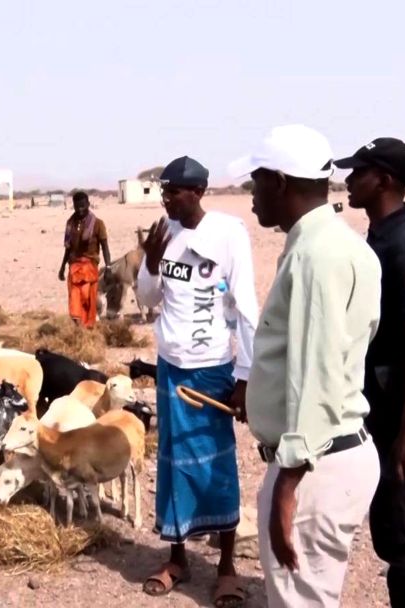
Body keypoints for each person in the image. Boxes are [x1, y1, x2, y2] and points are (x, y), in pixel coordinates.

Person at [231, 125, 382, 607]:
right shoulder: (345, 244)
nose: (250, 195)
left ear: (278, 181)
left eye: (255, 182)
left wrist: (288, 483)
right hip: (333, 452)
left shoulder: (314, 256)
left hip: (314, 465)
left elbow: (315, 371)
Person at [135, 156, 258, 608]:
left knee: (215, 462)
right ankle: (177, 557)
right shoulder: (163, 236)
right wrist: (150, 264)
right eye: (163, 191)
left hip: (212, 370)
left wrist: (244, 375)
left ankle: (226, 566)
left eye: (175, 192)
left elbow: (244, 307)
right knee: (172, 462)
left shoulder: (228, 234)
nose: (167, 198)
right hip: (171, 368)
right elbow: (148, 300)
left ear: (199, 192)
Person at [337, 137, 405, 608]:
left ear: (382, 180)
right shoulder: (380, 235)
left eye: (357, 171)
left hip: (400, 397)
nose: (348, 179)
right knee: (386, 519)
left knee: (402, 528)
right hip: (380, 394)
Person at [58, 191, 111, 328]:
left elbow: (105, 247)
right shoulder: (70, 223)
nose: (80, 210)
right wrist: (62, 266)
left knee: (87, 298)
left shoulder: (98, 224)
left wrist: (109, 267)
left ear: (88, 204)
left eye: (82, 206)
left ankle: (89, 328)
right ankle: (79, 328)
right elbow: (68, 248)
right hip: (74, 267)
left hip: (90, 267)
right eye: (77, 207)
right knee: (75, 300)